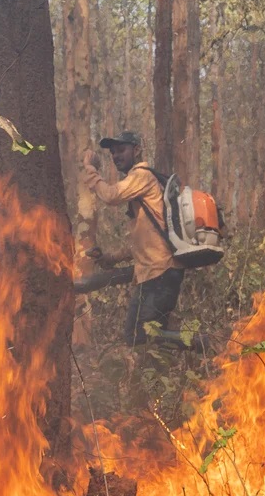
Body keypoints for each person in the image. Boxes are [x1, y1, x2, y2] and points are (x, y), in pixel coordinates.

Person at [77, 131, 204, 351]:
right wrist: (111, 258)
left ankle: (202, 342)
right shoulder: (141, 184)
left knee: (140, 334)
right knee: (143, 337)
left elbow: (111, 195)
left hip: (160, 273)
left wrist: (91, 170)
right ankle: (186, 356)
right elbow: (146, 238)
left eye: (122, 150)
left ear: (136, 150)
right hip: (156, 273)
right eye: (113, 152)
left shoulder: (142, 176)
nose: (117, 156)